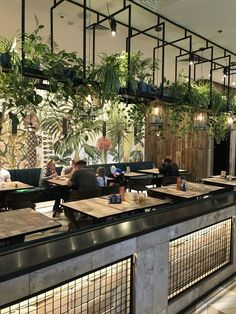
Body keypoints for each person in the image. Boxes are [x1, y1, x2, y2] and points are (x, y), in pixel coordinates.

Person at [65, 160, 99, 229]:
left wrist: (72, 173)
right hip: (95, 196)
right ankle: (85, 217)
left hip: (82, 197)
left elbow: (69, 184)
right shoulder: (92, 170)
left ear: (78, 166)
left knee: (66, 206)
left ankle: (76, 226)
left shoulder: (78, 171)